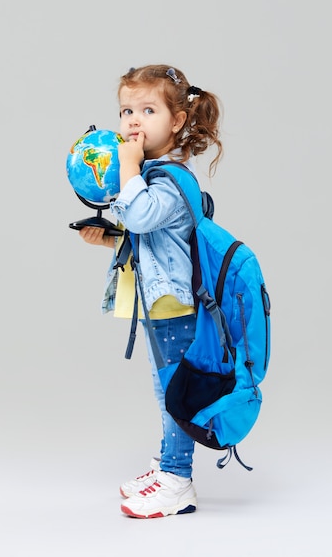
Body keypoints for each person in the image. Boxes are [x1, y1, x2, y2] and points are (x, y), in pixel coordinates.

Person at [79, 64, 223, 518]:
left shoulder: (170, 178)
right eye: (126, 111)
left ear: (177, 121)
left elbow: (141, 217)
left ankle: (178, 481)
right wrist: (107, 238)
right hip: (159, 303)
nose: (133, 121)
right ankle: (166, 466)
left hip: (175, 306)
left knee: (174, 392)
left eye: (147, 109)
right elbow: (149, 238)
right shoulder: (153, 174)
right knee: (166, 389)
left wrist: (125, 166)